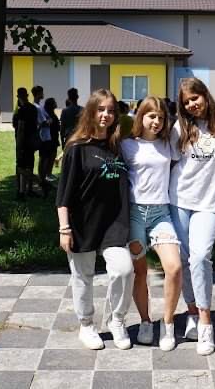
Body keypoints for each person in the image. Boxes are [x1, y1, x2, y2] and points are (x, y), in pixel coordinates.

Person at [56, 89, 134, 350]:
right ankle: (87, 325)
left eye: (111, 110)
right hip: (82, 223)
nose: (106, 115)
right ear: (90, 111)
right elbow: (63, 193)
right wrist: (64, 228)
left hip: (114, 223)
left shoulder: (117, 146)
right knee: (83, 276)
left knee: (124, 270)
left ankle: (116, 320)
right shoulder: (76, 148)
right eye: (101, 109)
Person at [169, 77, 215, 356]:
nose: (192, 105)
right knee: (183, 259)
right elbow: (166, 161)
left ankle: (206, 320)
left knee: (201, 256)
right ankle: (192, 312)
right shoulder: (179, 128)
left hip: (210, 203)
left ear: (205, 95)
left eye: (195, 98)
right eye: (187, 102)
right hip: (180, 200)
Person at [121, 96, 182, 351]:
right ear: (140, 117)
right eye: (151, 116)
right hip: (135, 213)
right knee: (140, 272)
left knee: (174, 267)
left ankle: (167, 324)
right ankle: (146, 321)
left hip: (161, 214)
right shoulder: (127, 145)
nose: (156, 121)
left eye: (160, 117)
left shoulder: (169, 144)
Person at [13, 87, 39, 200]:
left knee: (20, 166)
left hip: (23, 141)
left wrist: (18, 143)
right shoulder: (33, 108)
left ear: (19, 96)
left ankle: (22, 191)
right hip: (32, 141)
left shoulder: (22, 110)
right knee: (29, 165)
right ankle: (29, 189)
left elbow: (20, 127)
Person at [42, 98, 60, 188]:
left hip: (53, 139)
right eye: (54, 102)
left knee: (52, 157)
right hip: (50, 139)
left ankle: (48, 174)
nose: (56, 103)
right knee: (48, 158)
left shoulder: (52, 114)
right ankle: (45, 176)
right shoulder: (48, 115)